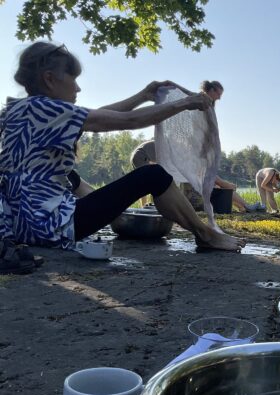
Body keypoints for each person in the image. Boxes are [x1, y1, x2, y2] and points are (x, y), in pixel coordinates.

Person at [0, 41, 245, 256]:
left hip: (19, 225)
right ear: (49, 79)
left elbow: (100, 114)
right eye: (73, 79)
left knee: (69, 176)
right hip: (49, 228)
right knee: (153, 175)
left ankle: (118, 216)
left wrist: (143, 95)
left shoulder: (20, 110)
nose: (78, 88)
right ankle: (206, 234)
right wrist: (186, 103)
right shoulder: (47, 109)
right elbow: (128, 122)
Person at [130, 139, 259, 213]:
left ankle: (243, 205)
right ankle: (145, 208)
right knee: (147, 182)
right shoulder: (181, 151)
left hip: (140, 155)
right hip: (141, 156)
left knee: (146, 182)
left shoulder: (181, 152)